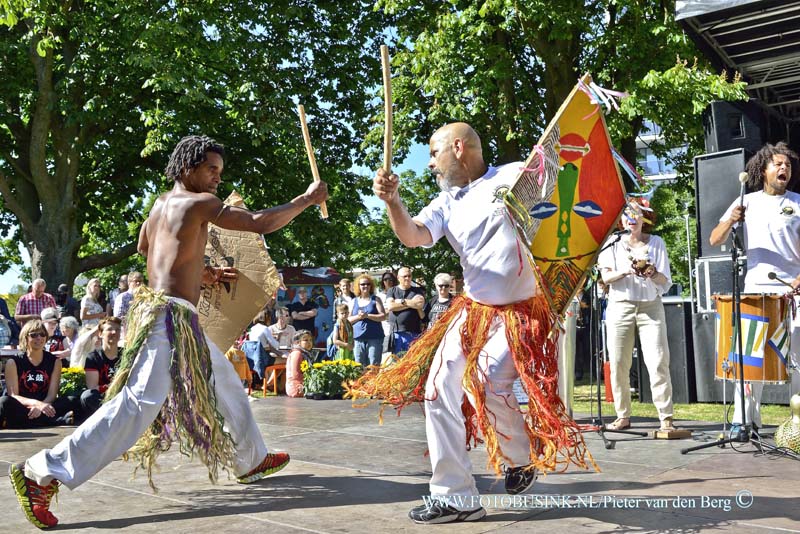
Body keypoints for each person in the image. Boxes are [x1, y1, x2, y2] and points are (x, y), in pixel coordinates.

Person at [9, 134, 328, 529]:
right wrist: (306, 200)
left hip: (168, 315)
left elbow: (148, 249)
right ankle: (42, 471)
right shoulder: (202, 204)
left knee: (225, 383)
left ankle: (250, 458)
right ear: (186, 167)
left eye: (219, 172)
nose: (216, 178)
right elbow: (259, 223)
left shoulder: (159, 206)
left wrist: (200, 271)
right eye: (211, 169)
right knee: (137, 405)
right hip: (169, 318)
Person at [350, 123, 595, 524]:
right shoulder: (446, 202)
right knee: (438, 386)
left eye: (433, 153)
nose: (430, 163)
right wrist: (393, 201)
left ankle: (520, 459)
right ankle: (454, 497)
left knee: (487, 380)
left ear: (458, 148)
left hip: (524, 310)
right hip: (476, 309)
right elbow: (413, 236)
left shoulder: (515, 173)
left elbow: (571, 191)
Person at [709, 141, 800, 435]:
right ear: (763, 170)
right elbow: (714, 239)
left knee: (797, 358)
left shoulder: (798, 203)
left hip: (794, 291)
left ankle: (796, 423)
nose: (784, 168)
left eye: (787, 164)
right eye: (778, 164)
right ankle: (744, 420)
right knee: (750, 360)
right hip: (755, 291)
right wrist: (731, 220)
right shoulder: (745, 201)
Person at [597, 198, 676, 432]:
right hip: (620, 305)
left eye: (636, 213)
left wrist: (652, 272)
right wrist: (626, 270)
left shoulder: (657, 243)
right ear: (621, 219)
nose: (631, 218)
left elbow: (666, 281)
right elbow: (606, 278)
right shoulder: (611, 243)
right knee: (619, 362)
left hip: (650, 306)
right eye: (626, 214)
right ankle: (622, 415)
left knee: (658, 360)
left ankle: (666, 417)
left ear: (644, 218)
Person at [0, 320, 77, 429]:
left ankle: (37, 421)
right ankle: (55, 421)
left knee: (72, 400)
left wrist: (41, 407)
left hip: (47, 405)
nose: (39, 338)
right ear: (25, 337)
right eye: (34, 335)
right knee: (4, 402)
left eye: (42, 334)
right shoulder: (13, 362)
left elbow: (52, 395)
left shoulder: (55, 362)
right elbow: (14, 395)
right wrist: (37, 404)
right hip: (23, 406)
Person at [78, 317, 122, 421]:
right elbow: (93, 387)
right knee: (87, 396)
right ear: (100, 334)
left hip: (123, 397)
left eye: (118, 329)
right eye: (110, 329)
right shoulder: (93, 357)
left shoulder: (126, 355)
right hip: (103, 399)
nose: (114, 332)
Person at [384, 266, 425, 354]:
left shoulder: (417, 291)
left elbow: (419, 304)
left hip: (413, 333)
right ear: (398, 278)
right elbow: (391, 306)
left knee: (413, 361)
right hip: (397, 333)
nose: (407, 278)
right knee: (397, 362)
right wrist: (412, 304)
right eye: (405, 276)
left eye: (409, 276)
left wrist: (401, 301)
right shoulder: (392, 290)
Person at [349, 274, 385, 366]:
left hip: (375, 337)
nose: (365, 286)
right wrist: (359, 317)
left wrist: (367, 316)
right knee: (359, 366)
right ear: (358, 286)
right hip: (358, 339)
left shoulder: (376, 299)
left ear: (371, 286)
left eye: (368, 284)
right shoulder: (353, 301)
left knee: (374, 365)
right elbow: (348, 320)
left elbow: (383, 316)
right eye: (362, 284)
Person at [243, 309, 283, 387]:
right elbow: (276, 345)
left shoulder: (252, 329)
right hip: (263, 360)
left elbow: (257, 344)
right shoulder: (265, 328)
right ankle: (269, 384)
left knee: (273, 358)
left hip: (253, 360)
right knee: (286, 360)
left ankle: (268, 385)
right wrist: (278, 337)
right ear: (267, 318)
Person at [285, 330, 315, 398]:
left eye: (310, 340)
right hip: (296, 387)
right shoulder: (297, 353)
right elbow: (295, 375)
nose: (309, 342)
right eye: (306, 340)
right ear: (298, 343)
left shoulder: (305, 354)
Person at [376, 271, 397, 354]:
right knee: (385, 353)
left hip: (396, 326)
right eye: (385, 279)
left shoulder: (398, 293)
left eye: (390, 279)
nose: (388, 281)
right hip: (383, 327)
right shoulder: (379, 296)